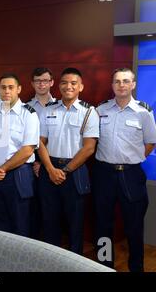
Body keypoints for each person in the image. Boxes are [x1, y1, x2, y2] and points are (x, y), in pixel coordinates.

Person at [93, 68, 156, 272]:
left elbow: (150, 143)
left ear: (133, 84)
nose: (121, 85)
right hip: (104, 174)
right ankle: (104, 265)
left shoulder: (143, 112)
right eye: (117, 81)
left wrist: (131, 159)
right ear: (112, 85)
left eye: (126, 81)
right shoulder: (100, 110)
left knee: (134, 226)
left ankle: (136, 267)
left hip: (131, 174)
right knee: (103, 225)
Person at [37, 67, 99, 255]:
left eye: (73, 83)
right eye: (64, 82)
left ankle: (74, 262)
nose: (68, 86)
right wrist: (50, 168)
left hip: (75, 170)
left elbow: (89, 148)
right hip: (49, 168)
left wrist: (64, 171)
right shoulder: (48, 110)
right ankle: (51, 260)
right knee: (49, 220)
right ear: (59, 85)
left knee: (75, 221)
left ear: (81, 86)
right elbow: (39, 142)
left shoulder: (89, 112)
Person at [0, 73, 39, 236]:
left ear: (19, 89)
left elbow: (28, 149)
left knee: (20, 224)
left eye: (11, 87)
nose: (7, 91)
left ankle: (21, 262)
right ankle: (3, 260)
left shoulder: (29, 114)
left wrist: (3, 168)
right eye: (3, 87)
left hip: (18, 175)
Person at [27, 67, 56, 238]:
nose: (41, 84)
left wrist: (45, 164)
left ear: (52, 82)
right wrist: (34, 162)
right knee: (33, 208)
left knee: (51, 209)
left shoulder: (61, 106)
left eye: (45, 80)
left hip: (52, 164)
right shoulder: (25, 107)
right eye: (38, 81)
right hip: (30, 163)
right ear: (32, 83)